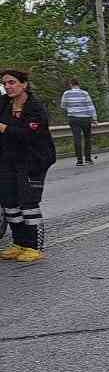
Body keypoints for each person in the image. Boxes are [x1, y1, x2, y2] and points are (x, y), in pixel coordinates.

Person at [0, 69, 56, 262]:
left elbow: (29, 135)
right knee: (9, 202)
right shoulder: (4, 104)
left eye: (12, 82)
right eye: (5, 83)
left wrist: (4, 128)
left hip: (33, 160)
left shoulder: (35, 108)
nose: (8, 86)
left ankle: (34, 247)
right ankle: (19, 243)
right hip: (8, 160)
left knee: (28, 203)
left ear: (24, 84)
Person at [60, 77, 98, 166]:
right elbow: (90, 106)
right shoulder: (84, 93)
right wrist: (94, 118)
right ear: (79, 84)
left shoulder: (66, 93)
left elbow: (63, 105)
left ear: (71, 84)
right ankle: (88, 159)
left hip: (73, 118)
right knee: (87, 138)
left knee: (77, 138)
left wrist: (71, 108)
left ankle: (79, 160)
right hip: (85, 118)